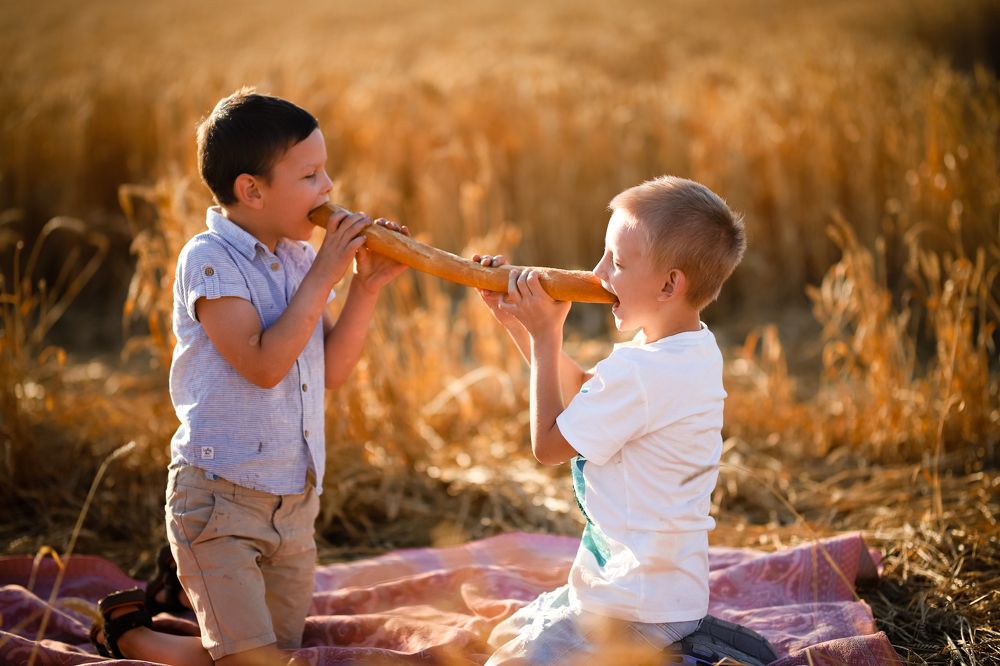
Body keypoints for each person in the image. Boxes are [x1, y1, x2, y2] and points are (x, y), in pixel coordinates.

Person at [90, 89, 408, 666]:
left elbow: (333, 369)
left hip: (293, 503)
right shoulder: (209, 260)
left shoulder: (297, 256)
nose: (329, 188)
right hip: (219, 497)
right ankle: (132, 637)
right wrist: (326, 275)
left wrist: (365, 285)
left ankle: (149, 626)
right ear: (251, 190)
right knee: (254, 661)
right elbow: (262, 366)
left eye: (325, 171)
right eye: (310, 175)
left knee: (274, 652)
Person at [475, 176, 776, 665]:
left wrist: (548, 334)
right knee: (507, 634)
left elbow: (549, 447)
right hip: (661, 592)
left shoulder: (641, 372)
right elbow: (584, 395)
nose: (597, 274)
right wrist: (520, 326)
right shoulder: (689, 348)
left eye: (615, 261)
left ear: (668, 284)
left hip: (631, 606)